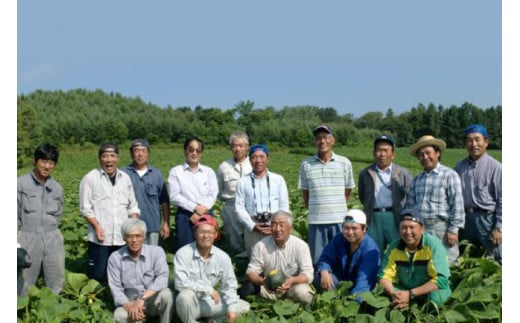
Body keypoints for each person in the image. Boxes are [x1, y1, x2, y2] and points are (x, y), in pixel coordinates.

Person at [79, 142, 140, 282]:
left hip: (121, 237)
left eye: (113, 156)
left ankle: (116, 301)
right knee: (98, 274)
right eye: (105, 156)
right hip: (100, 237)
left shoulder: (125, 178)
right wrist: (96, 227)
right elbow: (85, 208)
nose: (109, 160)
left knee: (121, 273)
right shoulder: (90, 178)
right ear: (100, 159)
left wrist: (134, 224)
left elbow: (132, 205)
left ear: (118, 158)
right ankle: (94, 300)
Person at [174, 215, 250, 323]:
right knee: (184, 296)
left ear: (216, 235)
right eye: (202, 232)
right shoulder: (183, 253)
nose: (206, 236)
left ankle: (212, 319)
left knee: (243, 306)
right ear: (195, 234)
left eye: (210, 232)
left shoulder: (223, 257)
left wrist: (232, 309)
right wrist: (208, 289)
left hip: (209, 302)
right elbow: (180, 283)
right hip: (190, 304)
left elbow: (229, 285)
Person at [298, 124, 356, 265]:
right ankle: (320, 285)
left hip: (338, 219)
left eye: (325, 137)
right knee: (318, 259)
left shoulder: (344, 162)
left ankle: (339, 285)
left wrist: (337, 206)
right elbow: (306, 193)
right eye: (318, 138)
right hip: (316, 220)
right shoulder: (306, 164)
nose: (322, 141)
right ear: (314, 142)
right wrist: (316, 208)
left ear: (332, 140)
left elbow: (348, 190)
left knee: (341, 257)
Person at [406, 135, 465, 264]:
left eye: (428, 153)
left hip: (441, 229)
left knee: (447, 262)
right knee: (425, 263)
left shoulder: (449, 175)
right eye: (421, 154)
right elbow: (410, 207)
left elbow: (457, 204)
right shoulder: (417, 180)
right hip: (421, 229)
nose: (425, 157)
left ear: (437, 153)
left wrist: (453, 230)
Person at [379, 209, 452, 308]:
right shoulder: (394, 247)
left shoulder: (433, 246)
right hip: (405, 288)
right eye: (403, 228)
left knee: (437, 300)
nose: (408, 232)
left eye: (412, 227)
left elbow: (441, 280)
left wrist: (410, 294)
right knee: (384, 294)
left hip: (429, 289)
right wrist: (394, 294)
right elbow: (383, 277)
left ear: (422, 229)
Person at [17, 143, 64, 296]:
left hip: (52, 237)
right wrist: (16, 244)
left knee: (56, 279)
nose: (47, 166)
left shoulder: (57, 188)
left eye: (51, 162)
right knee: (23, 281)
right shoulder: (20, 184)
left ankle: (51, 315)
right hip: (27, 236)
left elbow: (58, 215)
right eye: (43, 161)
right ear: (35, 161)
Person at [107, 218, 174, 323]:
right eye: (130, 236)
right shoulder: (115, 258)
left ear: (143, 237)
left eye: (138, 236)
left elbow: (163, 278)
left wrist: (142, 298)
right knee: (119, 315)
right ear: (124, 238)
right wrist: (130, 308)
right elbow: (116, 289)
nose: (134, 240)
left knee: (167, 295)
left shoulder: (156, 252)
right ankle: (137, 318)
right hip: (130, 301)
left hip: (152, 298)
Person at [241, 211, 315, 305]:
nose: (277, 229)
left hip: (293, 286)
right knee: (247, 289)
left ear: (290, 228)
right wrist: (264, 282)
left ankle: (293, 306)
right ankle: (265, 305)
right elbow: (251, 272)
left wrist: (292, 281)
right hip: (269, 288)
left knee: (304, 294)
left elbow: (308, 274)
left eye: (281, 225)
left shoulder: (301, 246)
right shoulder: (261, 245)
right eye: (274, 225)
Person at [358, 135, 413, 256]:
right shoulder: (366, 173)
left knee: (399, 250)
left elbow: (411, 197)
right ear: (374, 153)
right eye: (378, 150)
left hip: (395, 217)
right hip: (373, 218)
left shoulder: (403, 173)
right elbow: (363, 196)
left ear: (393, 154)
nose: (382, 154)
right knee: (374, 252)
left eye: (385, 150)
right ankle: (376, 275)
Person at [454, 124, 502, 264]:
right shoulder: (459, 167)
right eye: (469, 140)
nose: (473, 144)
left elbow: (503, 200)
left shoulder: (496, 168)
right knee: (467, 258)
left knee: (494, 260)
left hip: (487, 219)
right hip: (465, 220)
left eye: (477, 139)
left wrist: (499, 228)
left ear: (486, 142)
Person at [235, 144, 290, 257]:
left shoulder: (278, 179)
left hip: (275, 228)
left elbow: (284, 206)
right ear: (249, 160)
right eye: (254, 157)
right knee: (255, 262)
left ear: (267, 159)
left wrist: (276, 225)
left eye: (262, 156)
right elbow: (239, 208)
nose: (258, 160)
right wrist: (252, 225)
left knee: (276, 260)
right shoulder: (242, 182)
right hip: (253, 229)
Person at [313, 209, 381, 299]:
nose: (350, 232)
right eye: (346, 228)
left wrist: (351, 302)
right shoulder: (339, 238)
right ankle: (334, 298)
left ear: (364, 229)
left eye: (354, 228)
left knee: (361, 295)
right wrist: (324, 271)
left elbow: (363, 281)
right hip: (341, 281)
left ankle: (344, 299)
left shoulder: (370, 249)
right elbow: (326, 258)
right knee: (319, 277)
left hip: (361, 284)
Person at [168, 136, 219, 251]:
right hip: (185, 215)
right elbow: (174, 196)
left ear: (201, 153)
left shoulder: (208, 171)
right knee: (185, 249)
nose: (194, 153)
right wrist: (195, 208)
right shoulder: (176, 171)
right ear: (185, 151)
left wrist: (201, 211)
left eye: (198, 150)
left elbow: (213, 193)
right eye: (191, 149)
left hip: (206, 213)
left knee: (206, 248)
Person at [122, 139, 170, 246]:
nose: (140, 154)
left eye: (143, 151)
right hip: (129, 226)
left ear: (148, 154)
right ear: (131, 153)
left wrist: (166, 223)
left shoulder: (156, 174)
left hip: (152, 225)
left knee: (150, 257)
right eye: (136, 151)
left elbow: (164, 201)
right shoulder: (123, 173)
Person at [216, 131, 252, 256]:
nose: (238, 149)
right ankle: (236, 266)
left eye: (241, 145)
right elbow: (218, 190)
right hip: (231, 206)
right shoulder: (224, 166)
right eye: (234, 145)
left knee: (251, 238)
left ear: (247, 147)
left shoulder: (254, 164)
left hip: (250, 206)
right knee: (234, 241)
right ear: (231, 147)